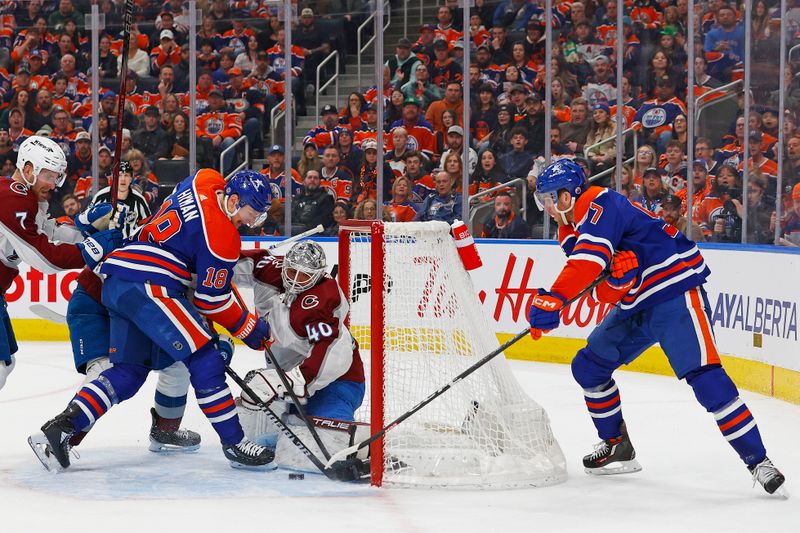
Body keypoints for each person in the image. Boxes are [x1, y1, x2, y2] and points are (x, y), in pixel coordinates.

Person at [528, 159, 785, 495]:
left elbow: (588, 262)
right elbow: (600, 285)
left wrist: (554, 298)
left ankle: (759, 461)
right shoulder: (568, 231)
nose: (545, 207)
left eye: (548, 198)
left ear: (566, 196)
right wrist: (616, 282)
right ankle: (617, 445)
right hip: (635, 305)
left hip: (673, 292)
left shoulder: (600, 201)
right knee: (588, 367)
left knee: (707, 380)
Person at [29, 170, 276, 471]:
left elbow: (194, 238)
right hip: (151, 283)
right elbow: (211, 300)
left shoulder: (205, 180)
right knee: (205, 360)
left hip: (118, 276)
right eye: (252, 213)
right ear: (234, 200)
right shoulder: (223, 238)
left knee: (129, 371)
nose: (251, 222)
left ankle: (59, 429)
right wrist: (250, 328)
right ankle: (236, 444)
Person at [0, 136, 122, 391]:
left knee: (5, 363)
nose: (53, 184)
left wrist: (84, 230)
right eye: (48, 175)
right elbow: (43, 258)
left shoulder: (28, 197)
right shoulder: (13, 200)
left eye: (56, 177)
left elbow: (50, 231)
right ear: (28, 169)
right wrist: (91, 250)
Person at [233, 242, 366, 469]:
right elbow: (224, 264)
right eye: (292, 271)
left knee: (325, 451)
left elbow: (331, 352)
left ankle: (363, 445)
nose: (295, 279)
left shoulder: (324, 299)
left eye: (304, 276)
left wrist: (287, 382)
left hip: (337, 383)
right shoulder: (269, 269)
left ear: (318, 275)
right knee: (255, 428)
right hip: (292, 380)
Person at [88, 162, 151, 236]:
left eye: (126, 175)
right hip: (104, 244)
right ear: (113, 177)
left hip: (129, 245)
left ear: (131, 178)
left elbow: (147, 226)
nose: (123, 179)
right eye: (119, 175)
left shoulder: (139, 200)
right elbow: (88, 221)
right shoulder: (101, 196)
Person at [292, 169, 334, 233]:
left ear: (320, 182)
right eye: (309, 177)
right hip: (293, 234)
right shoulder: (297, 198)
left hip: (316, 236)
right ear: (303, 181)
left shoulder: (326, 199)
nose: (312, 180)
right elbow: (291, 217)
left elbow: (323, 221)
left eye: (315, 178)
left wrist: (304, 229)